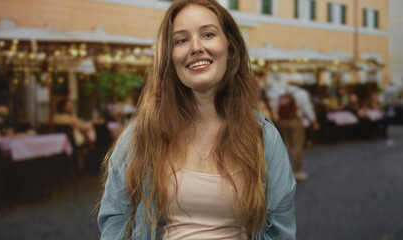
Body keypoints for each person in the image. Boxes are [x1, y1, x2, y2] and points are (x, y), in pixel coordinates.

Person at [97, 1, 296, 239]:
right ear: (170, 57)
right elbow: (117, 220)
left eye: (208, 34)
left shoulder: (262, 135)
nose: (196, 47)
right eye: (181, 40)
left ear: (230, 48)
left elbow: (280, 230)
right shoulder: (143, 133)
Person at [277, 79, 319, 182]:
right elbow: (307, 107)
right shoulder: (302, 93)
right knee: (297, 146)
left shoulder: (281, 92)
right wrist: (313, 120)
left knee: (285, 146)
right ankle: (297, 172)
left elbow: (274, 106)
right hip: (295, 120)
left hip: (283, 121)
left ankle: (283, 172)